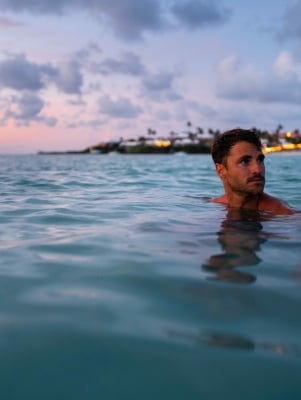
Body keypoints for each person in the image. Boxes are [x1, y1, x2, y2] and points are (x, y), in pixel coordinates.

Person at [210, 128, 294, 214]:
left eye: (260, 160)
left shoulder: (282, 214)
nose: (258, 170)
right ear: (221, 171)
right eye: (244, 161)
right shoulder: (214, 205)